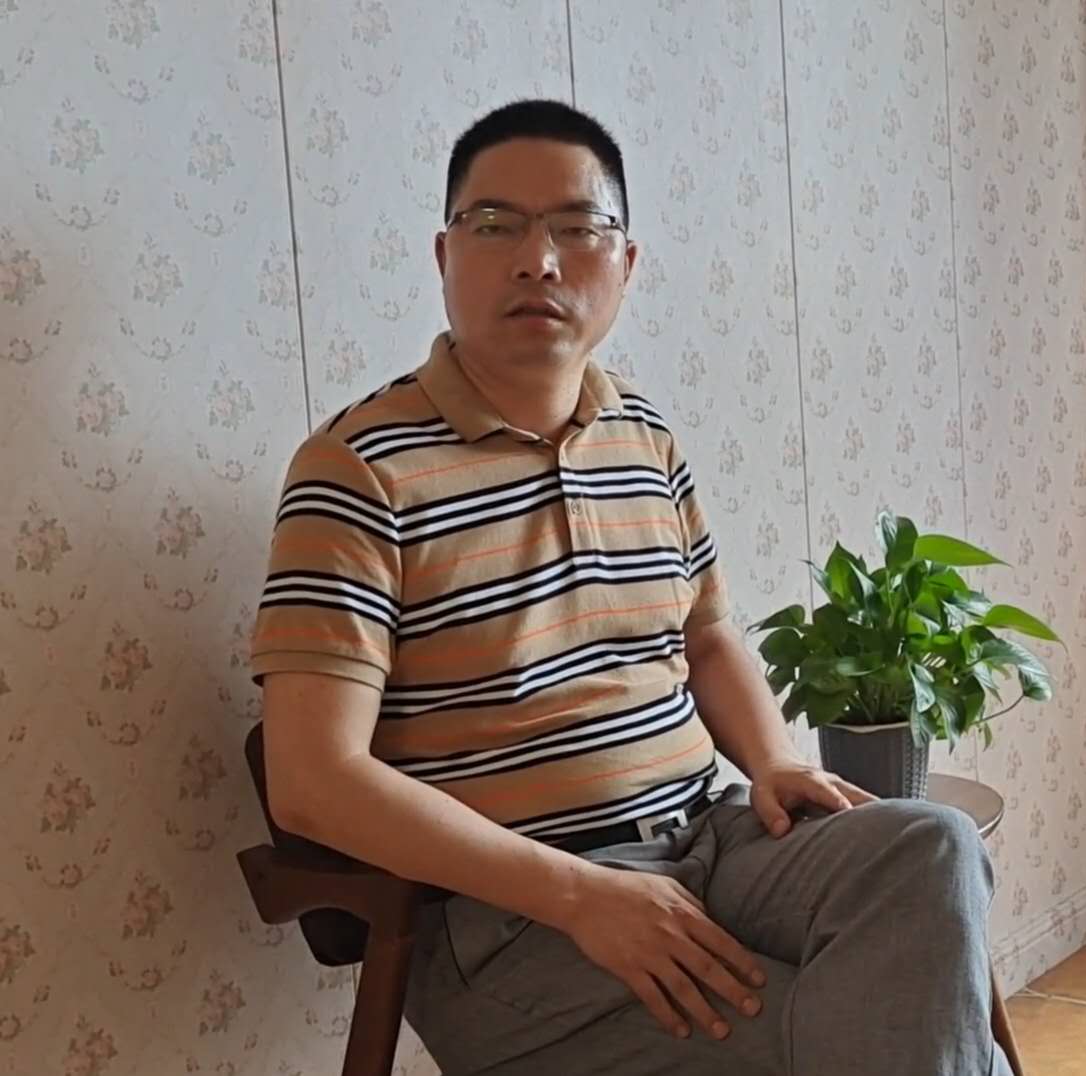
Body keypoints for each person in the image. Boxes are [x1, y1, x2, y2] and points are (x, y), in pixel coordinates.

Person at [250, 99, 1011, 1075]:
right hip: (512, 922)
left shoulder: (643, 438)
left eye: (578, 228)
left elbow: (706, 636)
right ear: (444, 255)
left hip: (711, 841)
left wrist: (772, 760)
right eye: (497, 225)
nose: (539, 260)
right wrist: (578, 895)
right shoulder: (358, 470)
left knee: (933, 846)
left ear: (626, 263)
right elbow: (313, 782)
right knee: (879, 1035)